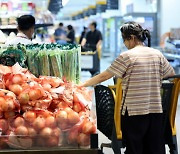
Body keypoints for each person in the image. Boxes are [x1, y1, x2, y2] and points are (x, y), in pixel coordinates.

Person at [80, 21, 175, 154]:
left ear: (132, 38)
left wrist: (82, 85)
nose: (125, 44)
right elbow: (170, 74)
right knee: (154, 148)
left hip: (133, 111)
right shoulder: (157, 54)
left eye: (124, 40)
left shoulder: (127, 56)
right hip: (155, 110)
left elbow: (104, 76)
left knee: (134, 149)